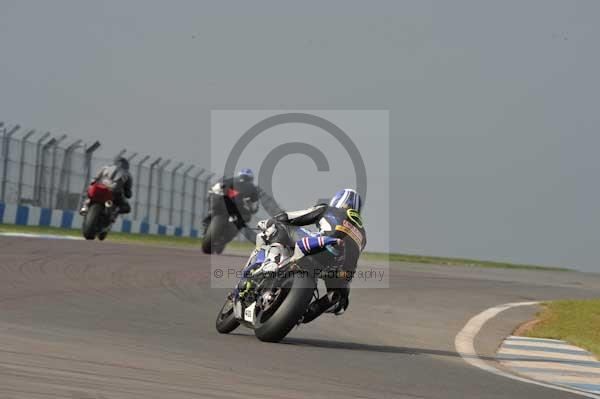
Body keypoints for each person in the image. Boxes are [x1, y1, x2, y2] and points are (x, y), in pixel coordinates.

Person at [256, 188, 366, 323]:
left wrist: (273, 220)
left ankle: (271, 262)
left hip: (319, 247)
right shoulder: (363, 235)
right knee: (337, 295)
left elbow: (292, 217)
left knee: (280, 226)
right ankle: (317, 306)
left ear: (338, 200)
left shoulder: (328, 210)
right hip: (339, 270)